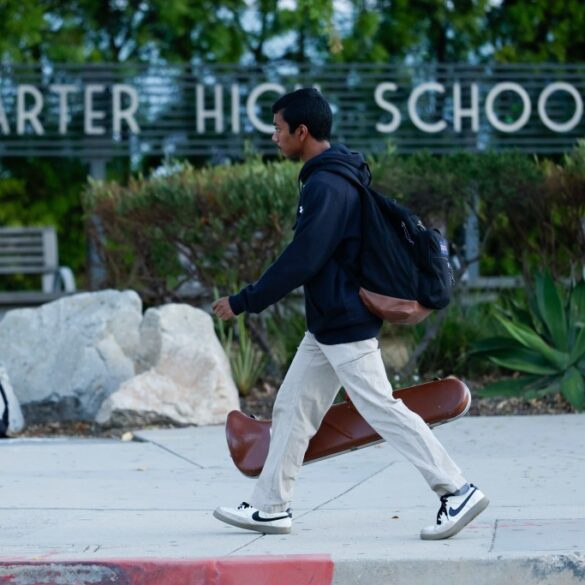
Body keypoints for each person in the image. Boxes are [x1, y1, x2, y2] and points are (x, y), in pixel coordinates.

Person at [212, 88, 488, 540]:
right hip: (328, 323)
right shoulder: (334, 177)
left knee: (379, 406)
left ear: (302, 132)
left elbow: (304, 257)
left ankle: (456, 489)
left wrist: (245, 300)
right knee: (293, 407)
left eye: (279, 129)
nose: (274, 137)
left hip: (342, 322)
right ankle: (270, 506)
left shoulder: (326, 185)